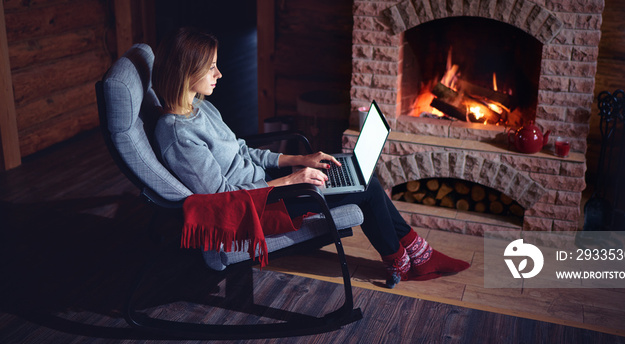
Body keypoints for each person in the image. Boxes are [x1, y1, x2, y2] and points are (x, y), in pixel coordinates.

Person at [152, 27, 469, 288]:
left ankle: (413, 254)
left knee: (355, 174)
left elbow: (242, 150)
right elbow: (221, 200)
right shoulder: (178, 134)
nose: (219, 73)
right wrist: (294, 180)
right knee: (365, 187)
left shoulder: (199, 106)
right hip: (256, 207)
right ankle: (408, 258)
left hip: (268, 186)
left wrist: (300, 159)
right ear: (185, 71)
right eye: (211, 67)